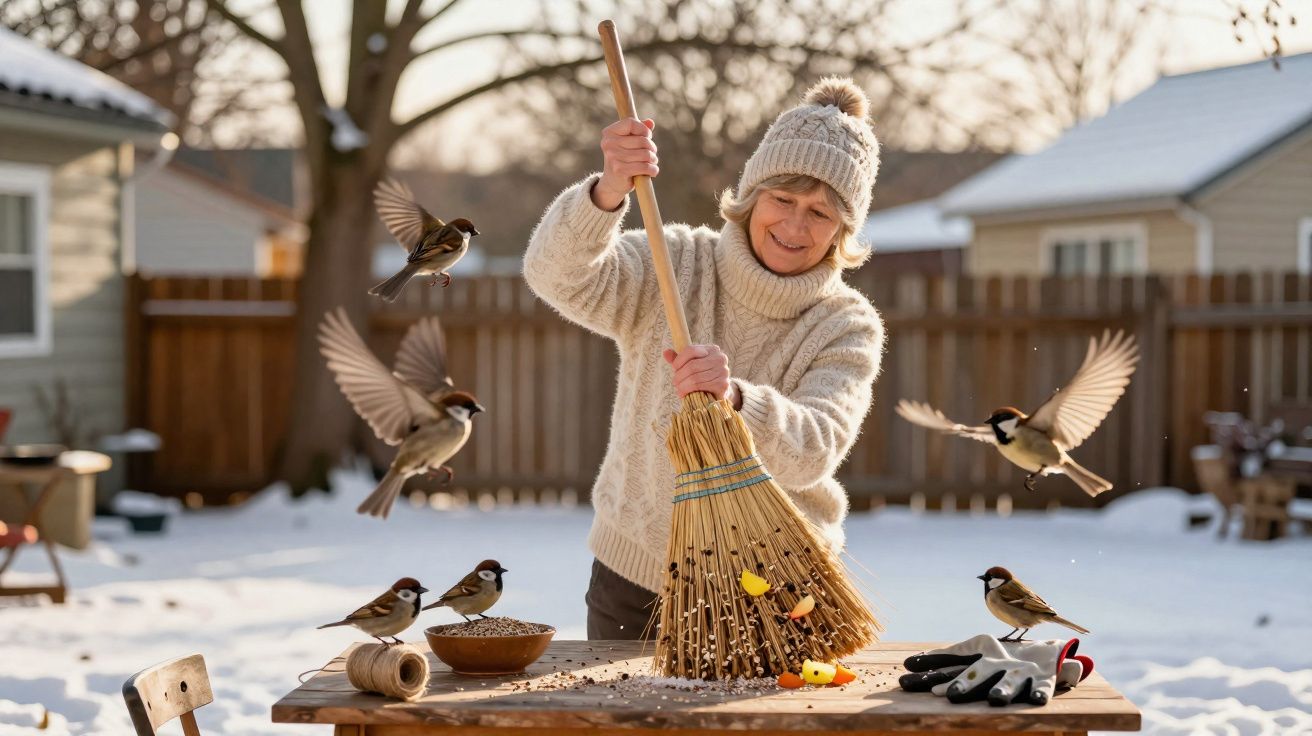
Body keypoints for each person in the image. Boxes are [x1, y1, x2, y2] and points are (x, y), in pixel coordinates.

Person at [523, 77, 885, 639]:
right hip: (636, 579)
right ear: (751, 197)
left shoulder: (845, 324)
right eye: (783, 200)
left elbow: (813, 449)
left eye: (820, 213)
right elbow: (557, 277)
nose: (794, 226)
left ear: (843, 229)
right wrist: (609, 190)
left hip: (776, 592)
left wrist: (737, 399)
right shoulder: (676, 263)